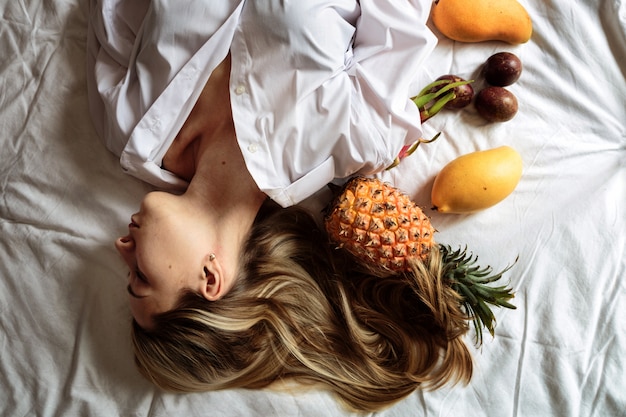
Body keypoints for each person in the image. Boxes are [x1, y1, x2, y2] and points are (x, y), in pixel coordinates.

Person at [87, 0, 473, 411]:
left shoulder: (127, 126)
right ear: (210, 276)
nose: (120, 249)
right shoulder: (355, 138)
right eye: (140, 277)